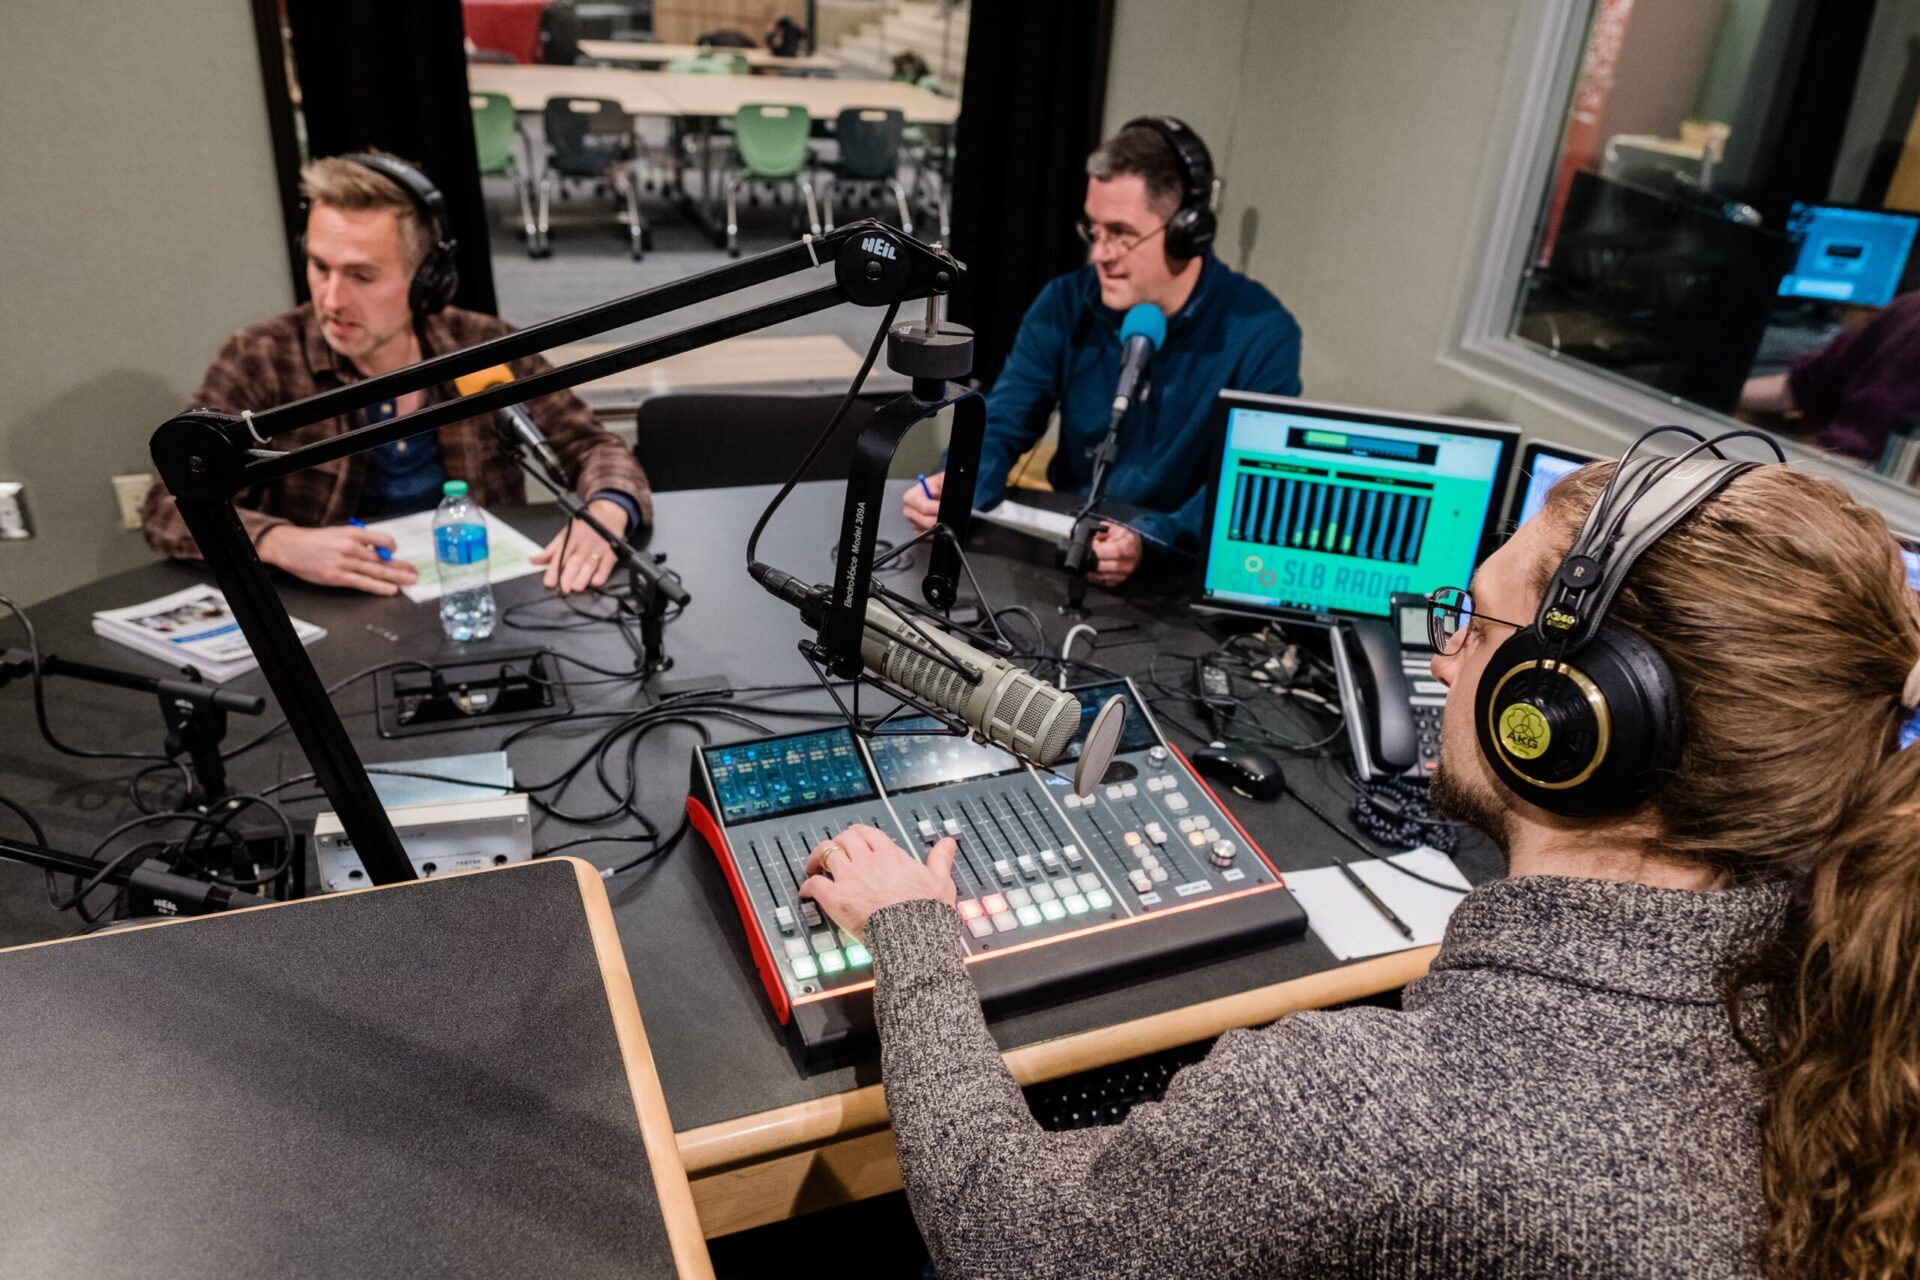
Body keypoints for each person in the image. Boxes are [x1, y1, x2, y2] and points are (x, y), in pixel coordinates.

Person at [807, 459, 1920, 1275]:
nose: (1441, 652)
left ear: (1568, 722)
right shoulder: (1847, 1001)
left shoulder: (1354, 1103)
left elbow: (1010, 1239)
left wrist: (913, 933)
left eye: (1473, 620)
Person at [141, 151, 652, 597]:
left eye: (362, 276)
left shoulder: (482, 346)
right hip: (333, 618)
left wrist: (607, 511)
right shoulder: (263, 357)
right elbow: (168, 502)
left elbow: (595, 448)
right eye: (320, 268)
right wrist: (279, 542)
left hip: (478, 599)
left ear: (426, 278)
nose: (332, 300)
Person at [902, 118, 1301, 587]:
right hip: (1068, 556)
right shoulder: (1065, 302)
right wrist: (959, 483)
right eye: (1094, 231)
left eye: (1122, 234)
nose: (1100, 255)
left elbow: (1243, 489)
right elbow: (1005, 419)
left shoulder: (1264, 334)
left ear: (1187, 232)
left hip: (1178, 578)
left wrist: (1150, 540)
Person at [1738, 289, 1920, 463]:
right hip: (1822, 467)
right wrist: (1718, 392)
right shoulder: (1910, 310)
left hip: (1880, 484)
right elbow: (1802, 387)